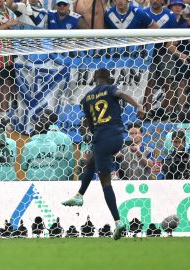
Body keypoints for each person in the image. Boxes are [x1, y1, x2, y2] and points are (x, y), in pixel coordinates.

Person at [61, 68, 145, 240]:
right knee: (92, 160)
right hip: (118, 137)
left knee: (105, 183)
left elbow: (89, 123)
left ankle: (117, 221)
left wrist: (95, 133)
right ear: (110, 78)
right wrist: (138, 105)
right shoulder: (110, 89)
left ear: (94, 79)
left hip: (101, 138)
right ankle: (79, 195)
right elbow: (121, 94)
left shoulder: (87, 99)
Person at [42, 109, 75, 180]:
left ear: (45, 121)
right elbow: (71, 162)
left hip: (44, 178)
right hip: (62, 178)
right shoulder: (67, 138)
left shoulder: (42, 137)